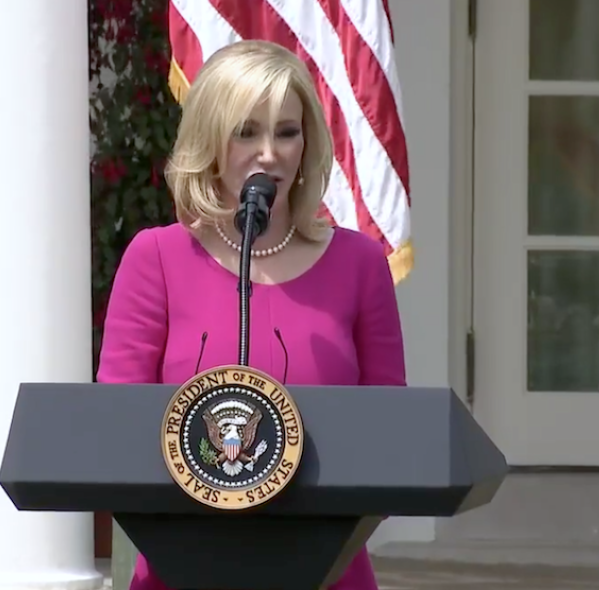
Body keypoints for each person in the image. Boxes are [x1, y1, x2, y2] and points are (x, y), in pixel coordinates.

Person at [96, 39, 406, 590]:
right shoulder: (158, 258)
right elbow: (116, 432)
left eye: (287, 132)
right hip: (182, 568)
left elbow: (390, 439)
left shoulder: (359, 264)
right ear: (211, 140)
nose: (270, 153)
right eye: (247, 131)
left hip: (325, 571)